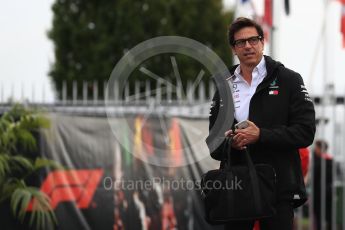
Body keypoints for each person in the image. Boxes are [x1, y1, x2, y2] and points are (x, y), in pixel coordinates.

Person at [207, 17, 316, 230]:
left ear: (262, 42)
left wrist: (261, 135)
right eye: (241, 42)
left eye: (253, 40)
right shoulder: (223, 84)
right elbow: (214, 143)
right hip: (237, 186)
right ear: (234, 49)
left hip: (278, 186)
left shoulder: (289, 79)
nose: (248, 46)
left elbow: (305, 132)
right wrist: (232, 143)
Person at [312, 140, 333, 230]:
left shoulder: (318, 162)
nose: (314, 150)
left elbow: (314, 178)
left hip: (318, 194)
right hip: (329, 193)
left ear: (320, 149)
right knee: (329, 216)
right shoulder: (331, 161)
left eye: (316, 148)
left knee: (319, 217)